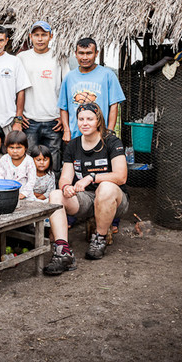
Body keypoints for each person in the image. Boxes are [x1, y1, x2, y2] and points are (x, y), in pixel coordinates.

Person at [45, 103, 129, 276]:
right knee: (55, 194)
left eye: (89, 119)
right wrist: (66, 187)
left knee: (105, 188)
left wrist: (91, 177)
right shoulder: (73, 145)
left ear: (98, 121)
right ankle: (63, 251)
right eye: (81, 119)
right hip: (87, 198)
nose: (85, 123)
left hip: (115, 199)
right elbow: (65, 178)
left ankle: (99, 238)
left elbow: (121, 176)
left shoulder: (111, 141)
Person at [18, 20, 67, 171]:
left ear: (51, 36)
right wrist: (19, 116)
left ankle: (53, 193)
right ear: (30, 37)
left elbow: (66, 87)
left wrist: (62, 116)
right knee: (29, 160)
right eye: (36, 35)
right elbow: (16, 89)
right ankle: (31, 192)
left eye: (44, 35)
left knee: (54, 161)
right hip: (29, 121)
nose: (40, 39)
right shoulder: (22, 58)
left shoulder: (59, 57)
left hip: (54, 120)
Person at [59, 37, 125, 141]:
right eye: (81, 53)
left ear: (96, 53)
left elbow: (114, 106)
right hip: (75, 136)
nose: (85, 57)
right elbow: (63, 107)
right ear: (75, 54)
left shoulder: (108, 75)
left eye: (89, 53)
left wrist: (110, 131)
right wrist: (67, 131)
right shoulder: (69, 77)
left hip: (100, 135)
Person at [0, 131, 37, 200]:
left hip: (26, 196)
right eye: (11, 147)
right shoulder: (3, 160)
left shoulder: (29, 161)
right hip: (7, 195)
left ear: (25, 148)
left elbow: (31, 180)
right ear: (6, 148)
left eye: (18, 148)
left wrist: (24, 194)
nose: (15, 151)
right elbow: (0, 178)